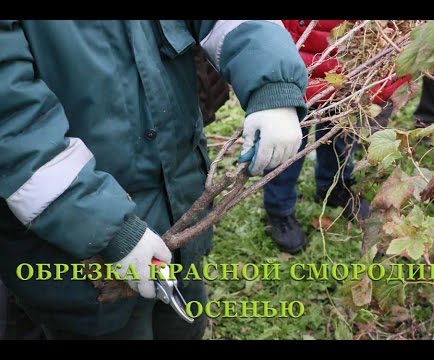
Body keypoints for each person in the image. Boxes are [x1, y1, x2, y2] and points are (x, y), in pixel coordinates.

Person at [0, 20, 307, 340]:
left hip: (177, 216)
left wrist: (273, 83)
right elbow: (14, 131)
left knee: (183, 325)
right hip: (76, 264)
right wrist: (108, 230)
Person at [263, 20, 414, 254]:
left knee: (340, 137)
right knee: (286, 143)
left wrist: (387, 83)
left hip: (350, 72)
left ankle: (334, 187)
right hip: (293, 65)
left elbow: (403, 32)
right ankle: (279, 207)